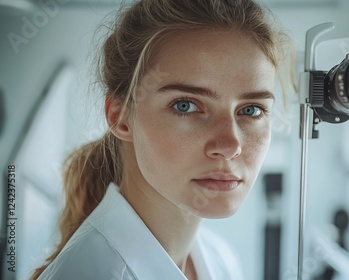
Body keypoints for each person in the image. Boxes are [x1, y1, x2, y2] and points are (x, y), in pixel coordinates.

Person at [30, 0, 292, 279]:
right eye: (186, 106)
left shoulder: (221, 259)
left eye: (251, 110)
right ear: (119, 116)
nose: (230, 146)